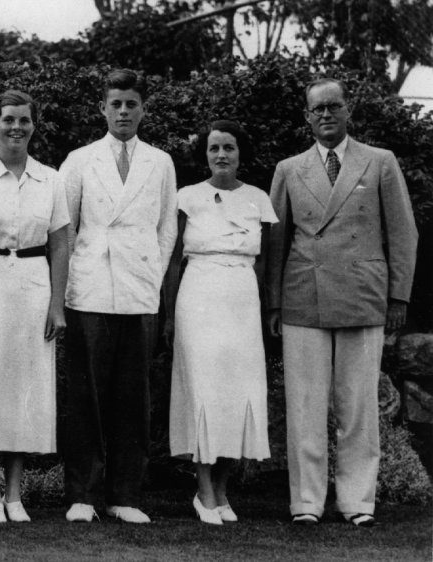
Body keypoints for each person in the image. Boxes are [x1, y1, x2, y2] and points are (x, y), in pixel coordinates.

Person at [267, 78, 418, 527]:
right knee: (305, 406)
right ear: (307, 117)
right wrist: (274, 303)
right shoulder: (288, 169)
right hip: (303, 298)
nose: (327, 115)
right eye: (318, 109)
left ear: (348, 111)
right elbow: (276, 241)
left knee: (358, 408)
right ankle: (307, 503)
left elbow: (403, 233)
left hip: (363, 296)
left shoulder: (380, 162)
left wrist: (398, 295)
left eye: (334, 107)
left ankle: (357, 502)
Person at [59, 69, 177, 524]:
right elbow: (66, 228)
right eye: (116, 104)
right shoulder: (80, 159)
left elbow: (167, 228)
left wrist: (151, 275)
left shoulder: (160, 162)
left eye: (131, 104)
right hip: (89, 288)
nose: (123, 112)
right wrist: (69, 284)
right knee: (85, 395)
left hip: (138, 290)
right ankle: (83, 496)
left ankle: (124, 495)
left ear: (143, 109)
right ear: (103, 109)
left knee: (132, 396)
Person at [0, 89, 69, 523]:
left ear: (34, 125)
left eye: (23, 120)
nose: (16, 127)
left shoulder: (51, 179)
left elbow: (60, 242)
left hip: (33, 285)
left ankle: (15, 493)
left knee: (25, 387)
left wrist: (57, 305)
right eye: (8, 120)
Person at [164, 121, 274, 525]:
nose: (222, 155)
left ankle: (222, 489)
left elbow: (263, 261)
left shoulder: (258, 198)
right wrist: (170, 313)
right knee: (205, 392)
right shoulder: (187, 196)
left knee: (239, 393)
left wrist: (260, 309)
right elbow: (174, 258)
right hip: (198, 298)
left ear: (240, 152)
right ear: (205, 154)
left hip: (242, 300)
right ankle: (204, 491)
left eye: (229, 147)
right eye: (214, 148)